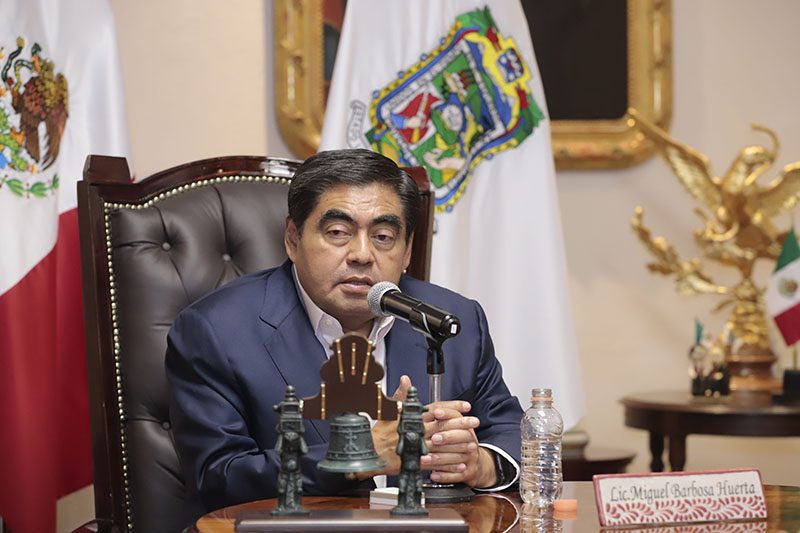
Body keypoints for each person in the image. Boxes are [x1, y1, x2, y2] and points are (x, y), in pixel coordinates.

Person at [166, 149, 523, 524]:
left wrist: (479, 464)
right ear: (292, 239)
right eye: (338, 233)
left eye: (383, 236)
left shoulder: (450, 321)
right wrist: (357, 453)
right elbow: (218, 476)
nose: (362, 254)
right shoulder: (215, 330)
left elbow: (510, 430)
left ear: (407, 252)